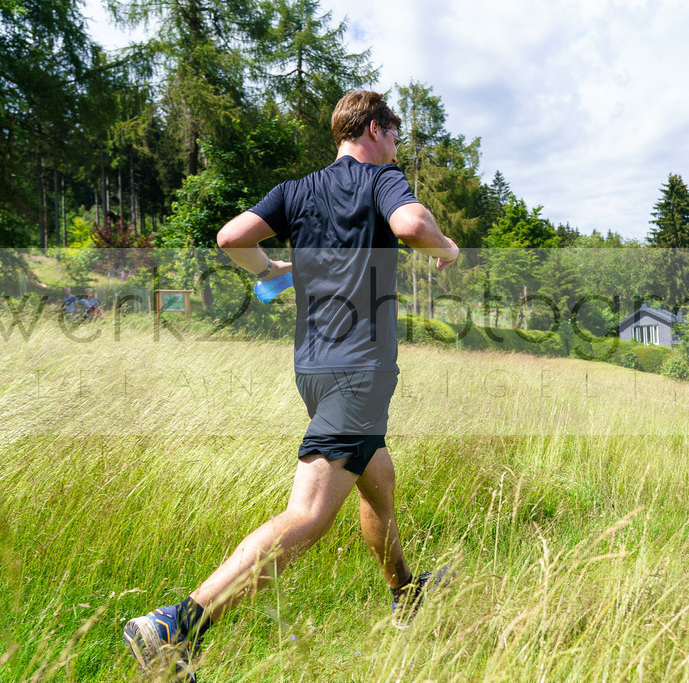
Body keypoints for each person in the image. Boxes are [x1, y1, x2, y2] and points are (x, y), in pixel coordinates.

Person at [123, 90, 459, 680]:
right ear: (375, 129)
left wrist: (275, 269)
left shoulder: (298, 189)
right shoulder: (382, 178)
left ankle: (405, 594)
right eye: (396, 135)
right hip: (361, 368)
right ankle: (178, 625)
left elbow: (232, 238)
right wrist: (448, 247)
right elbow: (410, 223)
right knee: (308, 511)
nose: (397, 146)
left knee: (377, 478)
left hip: (313, 367)